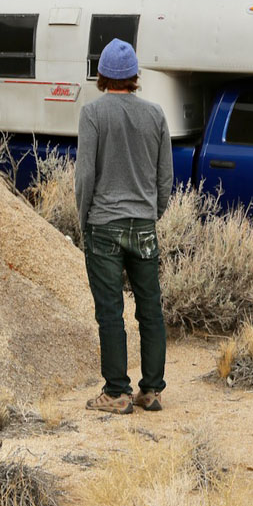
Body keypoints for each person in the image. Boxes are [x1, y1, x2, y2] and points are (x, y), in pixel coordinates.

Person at [75, 38, 173, 415]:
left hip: (103, 224)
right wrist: (152, 213)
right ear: (135, 76)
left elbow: (86, 175)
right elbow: (165, 178)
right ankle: (152, 391)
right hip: (143, 224)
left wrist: (84, 218)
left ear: (102, 76)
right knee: (150, 309)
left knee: (110, 312)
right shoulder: (156, 115)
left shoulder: (93, 114)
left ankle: (117, 392)